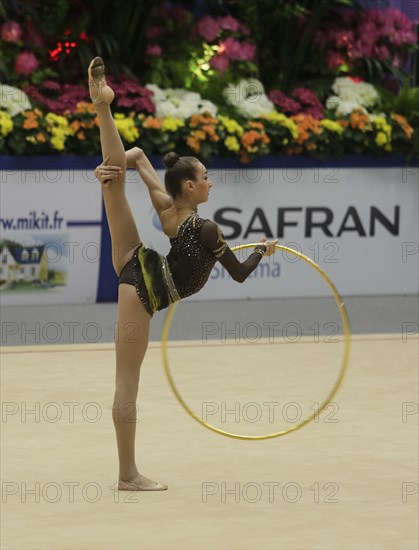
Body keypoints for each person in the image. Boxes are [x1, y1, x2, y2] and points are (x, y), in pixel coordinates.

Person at [88, 57, 278, 491]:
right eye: (206, 177)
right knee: (126, 381)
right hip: (143, 286)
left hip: (135, 260)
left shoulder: (169, 211)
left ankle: (103, 106)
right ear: (189, 185)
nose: (211, 182)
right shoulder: (208, 228)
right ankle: (127, 475)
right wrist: (264, 251)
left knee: (113, 178)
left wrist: (113, 164)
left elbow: (134, 159)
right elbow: (240, 273)